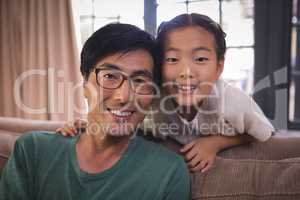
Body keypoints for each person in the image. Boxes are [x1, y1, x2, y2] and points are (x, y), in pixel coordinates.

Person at [57, 13, 274, 173]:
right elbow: (124, 118)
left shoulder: (232, 101)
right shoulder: (151, 98)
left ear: (218, 67)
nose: (186, 72)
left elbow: (265, 131)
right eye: (172, 59)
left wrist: (216, 142)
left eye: (200, 59)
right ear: (158, 67)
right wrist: (92, 124)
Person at [0, 23, 190, 200]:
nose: (123, 96)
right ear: (84, 84)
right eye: (109, 76)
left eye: (140, 81)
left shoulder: (169, 172)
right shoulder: (32, 150)